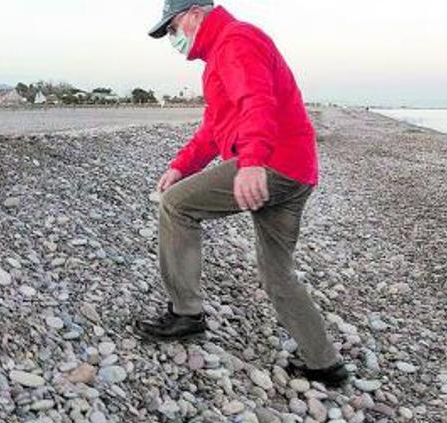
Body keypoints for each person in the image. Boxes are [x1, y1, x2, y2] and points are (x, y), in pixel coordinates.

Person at [137, 0, 350, 386]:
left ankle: (186, 313)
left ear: (196, 15)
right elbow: (214, 129)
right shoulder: (224, 52)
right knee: (277, 273)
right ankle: (326, 365)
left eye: (172, 28)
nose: (172, 37)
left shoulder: (235, 41)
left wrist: (251, 162)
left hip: (273, 164)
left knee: (176, 206)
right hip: (296, 171)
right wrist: (182, 165)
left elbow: (258, 102)